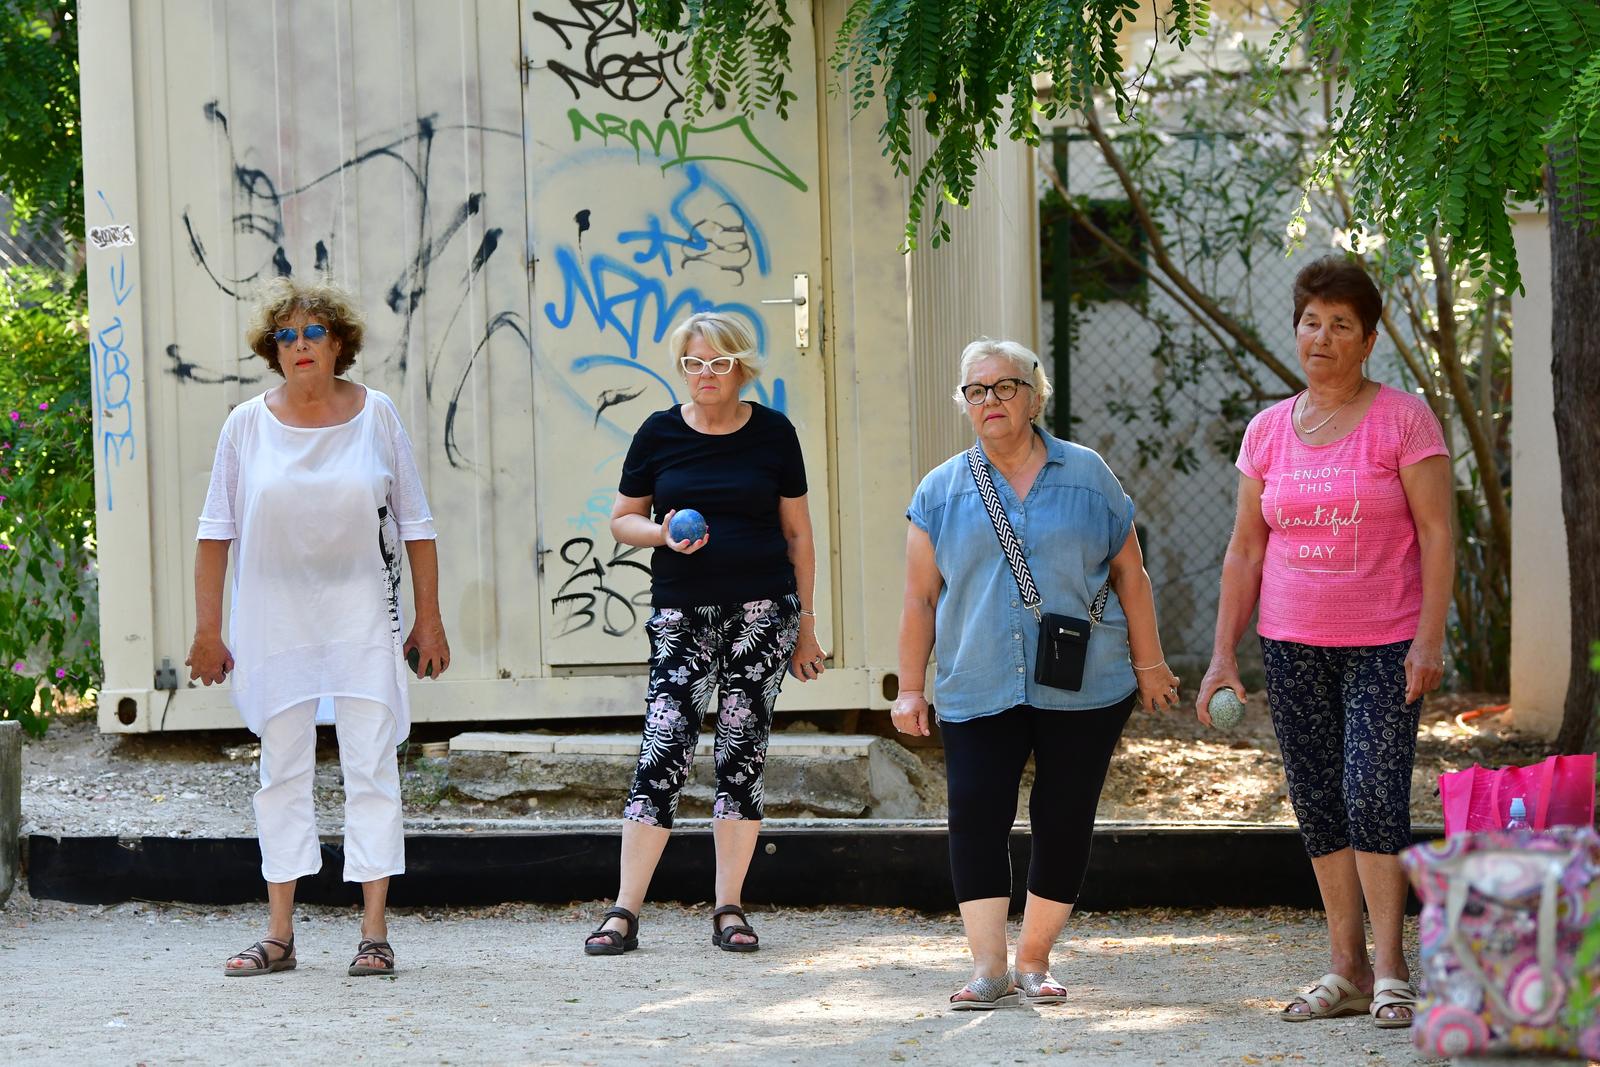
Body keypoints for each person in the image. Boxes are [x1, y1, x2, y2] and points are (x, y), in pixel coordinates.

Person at [1198, 256, 1453, 1028]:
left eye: (1341, 324)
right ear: (1298, 326)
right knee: (1318, 801)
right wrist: (1221, 655)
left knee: (1372, 791)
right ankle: (1343, 966)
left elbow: (1440, 534)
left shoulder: (1403, 419)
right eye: (1313, 320)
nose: (1323, 336)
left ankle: (1390, 967)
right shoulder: (1269, 431)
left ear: (1368, 338)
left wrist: (1430, 637)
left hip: (1385, 640)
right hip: (1290, 642)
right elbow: (1245, 549)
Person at [893, 338, 1180, 1009]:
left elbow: (1129, 573)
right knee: (975, 815)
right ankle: (988, 965)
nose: (990, 400)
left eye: (1004, 386)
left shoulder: (1089, 475)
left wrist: (1152, 662)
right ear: (965, 403)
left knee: (1064, 815)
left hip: (1086, 683)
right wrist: (910, 685)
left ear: (1034, 393)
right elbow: (919, 597)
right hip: (977, 676)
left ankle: (1035, 958)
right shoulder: (939, 490)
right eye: (976, 390)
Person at [186, 276, 449, 978]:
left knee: (372, 766)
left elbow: (416, 525)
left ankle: (374, 929)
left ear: (338, 344)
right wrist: (208, 631)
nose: (300, 346)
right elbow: (216, 534)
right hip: (274, 623)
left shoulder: (378, 415)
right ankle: (279, 932)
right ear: (274, 350)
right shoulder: (245, 424)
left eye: (313, 334)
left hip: (363, 617)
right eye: (286, 336)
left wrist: (430, 618)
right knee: (282, 771)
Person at [583, 311, 826, 956]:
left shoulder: (774, 434)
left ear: (741, 366)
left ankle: (729, 908)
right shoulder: (659, 433)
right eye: (693, 363)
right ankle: (623, 912)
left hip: (763, 613)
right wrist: (664, 534)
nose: (705, 375)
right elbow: (622, 521)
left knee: (741, 755)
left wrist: (805, 626)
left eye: (718, 363)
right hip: (681, 611)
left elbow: (798, 534)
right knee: (662, 751)